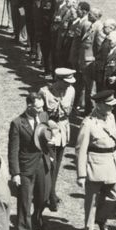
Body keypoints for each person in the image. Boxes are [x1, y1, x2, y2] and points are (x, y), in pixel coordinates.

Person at [76, 90, 116, 230]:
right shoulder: (88, 123)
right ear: (99, 105)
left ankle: (101, 219)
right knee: (92, 202)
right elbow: (81, 149)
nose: (111, 108)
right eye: (108, 106)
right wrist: (81, 174)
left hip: (111, 162)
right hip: (95, 165)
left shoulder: (111, 117)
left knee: (113, 196)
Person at [8, 93, 49, 230]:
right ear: (29, 106)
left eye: (42, 107)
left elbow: (45, 134)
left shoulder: (44, 115)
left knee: (42, 197)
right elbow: (13, 150)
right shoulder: (17, 123)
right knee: (25, 202)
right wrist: (15, 173)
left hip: (42, 164)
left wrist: (49, 148)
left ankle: (37, 220)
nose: (40, 110)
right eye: (37, 108)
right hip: (25, 168)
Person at [39, 68, 75, 211]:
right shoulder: (44, 92)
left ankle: (51, 192)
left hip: (63, 130)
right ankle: (49, 195)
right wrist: (48, 128)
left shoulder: (71, 91)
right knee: (49, 163)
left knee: (57, 164)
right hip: (49, 131)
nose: (68, 85)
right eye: (66, 82)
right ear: (58, 80)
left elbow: (69, 110)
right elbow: (41, 116)